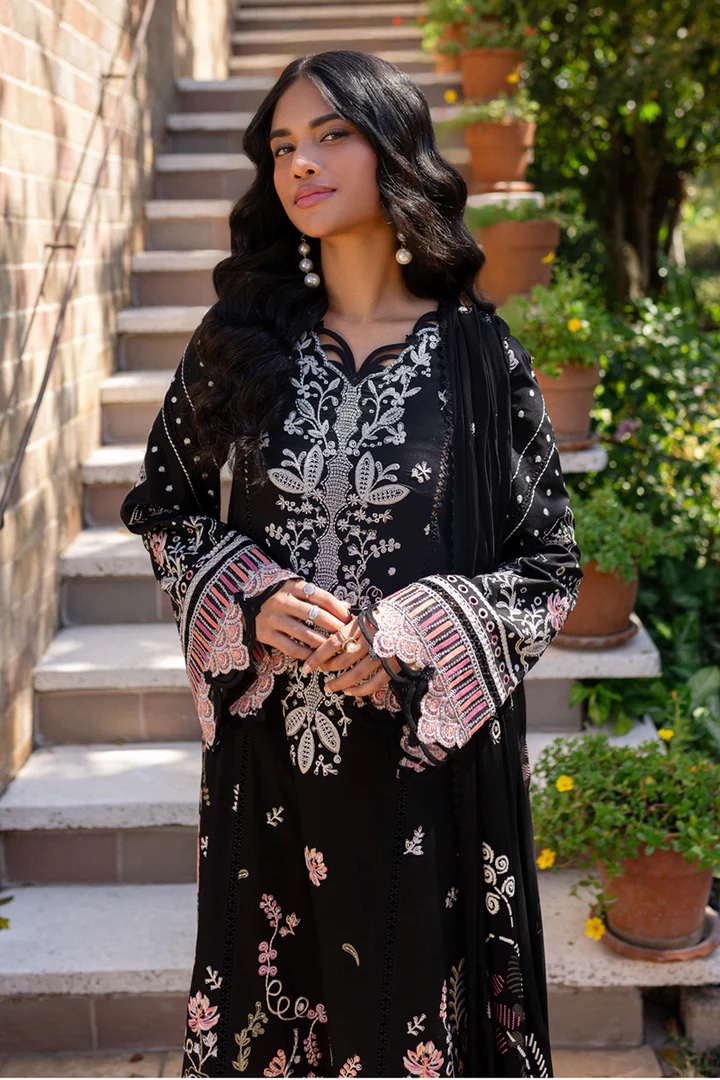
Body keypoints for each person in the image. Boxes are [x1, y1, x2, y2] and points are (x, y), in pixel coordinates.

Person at [121, 49, 582, 1079]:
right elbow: (163, 508)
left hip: (426, 770)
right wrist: (250, 594)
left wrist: (415, 634)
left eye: (332, 135)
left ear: (394, 150)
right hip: (274, 767)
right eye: (284, 145)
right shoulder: (237, 343)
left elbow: (548, 566)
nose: (301, 163)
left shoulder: (478, 357)